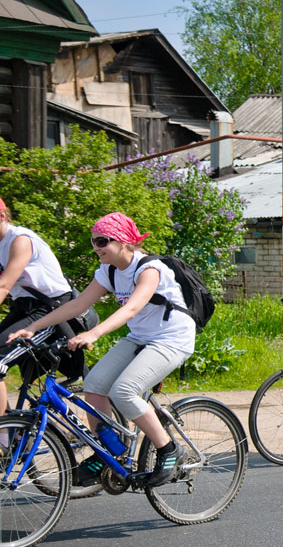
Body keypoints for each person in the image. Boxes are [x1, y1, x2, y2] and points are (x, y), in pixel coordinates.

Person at [7, 212, 194, 487]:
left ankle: (169, 450)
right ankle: (109, 451)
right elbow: (76, 305)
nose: (96, 247)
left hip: (172, 338)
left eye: (102, 241)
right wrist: (33, 327)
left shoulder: (149, 268)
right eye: (93, 241)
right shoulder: (108, 271)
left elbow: (132, 308)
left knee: (124, 391)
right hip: (140, 337)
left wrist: (94, 333)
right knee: (94, 385)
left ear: (124, 241)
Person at [0, 197, 94, 411]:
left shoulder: (20, 240)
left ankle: (4, 428)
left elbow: (4, 286)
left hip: (51, 310)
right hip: (24, 308)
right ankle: (12, 427)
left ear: (2, 216)